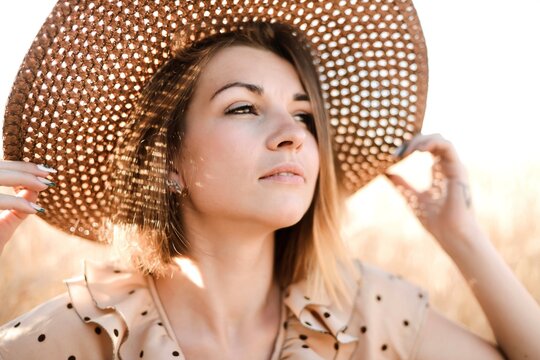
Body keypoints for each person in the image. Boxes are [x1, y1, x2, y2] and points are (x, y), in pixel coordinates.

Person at [1, 2, 539, 360]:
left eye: (305, 116)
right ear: (167, 161)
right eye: (242, 107)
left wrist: (462, 238)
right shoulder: (86, 333)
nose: (293, 136)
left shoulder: (364, 313)